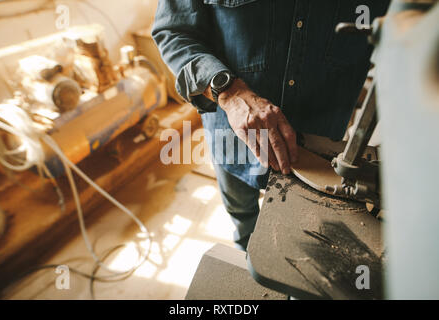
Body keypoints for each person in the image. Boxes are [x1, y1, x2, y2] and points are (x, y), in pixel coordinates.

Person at [152, 0, 389, 251]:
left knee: (306, 241)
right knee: (244, 221)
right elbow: (172, 31)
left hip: (320, 149)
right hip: (233, 140)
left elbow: (408, 34)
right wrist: (229, 92)